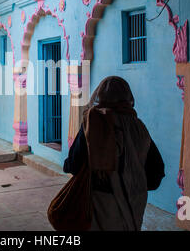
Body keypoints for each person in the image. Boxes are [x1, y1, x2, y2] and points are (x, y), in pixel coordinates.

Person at [63, 76, 159, 230]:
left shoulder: (93, 123)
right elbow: (156, 172)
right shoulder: (139, 127)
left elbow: (74, 164)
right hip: (135, 200)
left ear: (99, 96)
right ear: (128, 97)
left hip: (102, 202)